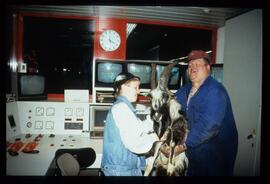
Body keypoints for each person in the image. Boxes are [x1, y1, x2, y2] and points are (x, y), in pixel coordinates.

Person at [175, 50, 238, 176]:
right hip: (195, 152)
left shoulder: (215, 91)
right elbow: (175, 112)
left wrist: (182, 146)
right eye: (190, 65)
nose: (192, 68)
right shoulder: (185, 90)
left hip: (215, 154)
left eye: (197, 64)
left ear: (208, 68)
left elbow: (209, 126)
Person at [101, 72, 164, 176]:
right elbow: (135, 144)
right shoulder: (121, 108)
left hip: (122, 169)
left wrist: (154, 118)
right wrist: (154, 138)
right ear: (124, 87)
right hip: (120, 171)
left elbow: (139, 127)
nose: (139, 91)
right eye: (136, 87)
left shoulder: (123, 107)